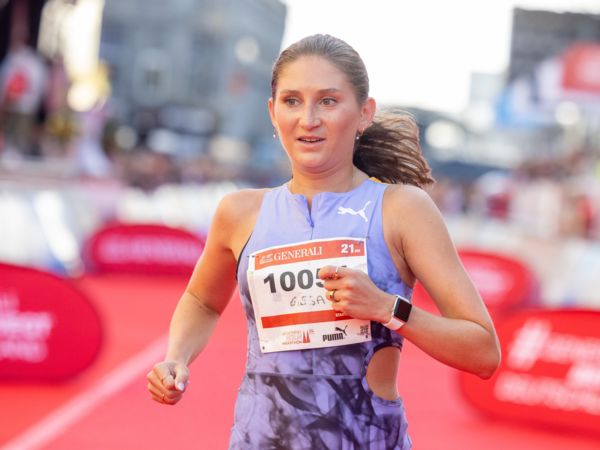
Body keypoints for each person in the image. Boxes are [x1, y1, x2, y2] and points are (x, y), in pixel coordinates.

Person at [147, 34, 501, 449]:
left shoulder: (402, 209)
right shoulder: (239, 213)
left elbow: (483, 352)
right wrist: (176, 358)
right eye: (292, 101)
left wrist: (387, 308)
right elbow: (203, 301)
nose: (308, 119)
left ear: (365, 113)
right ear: (272, 112)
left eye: (328, 101)